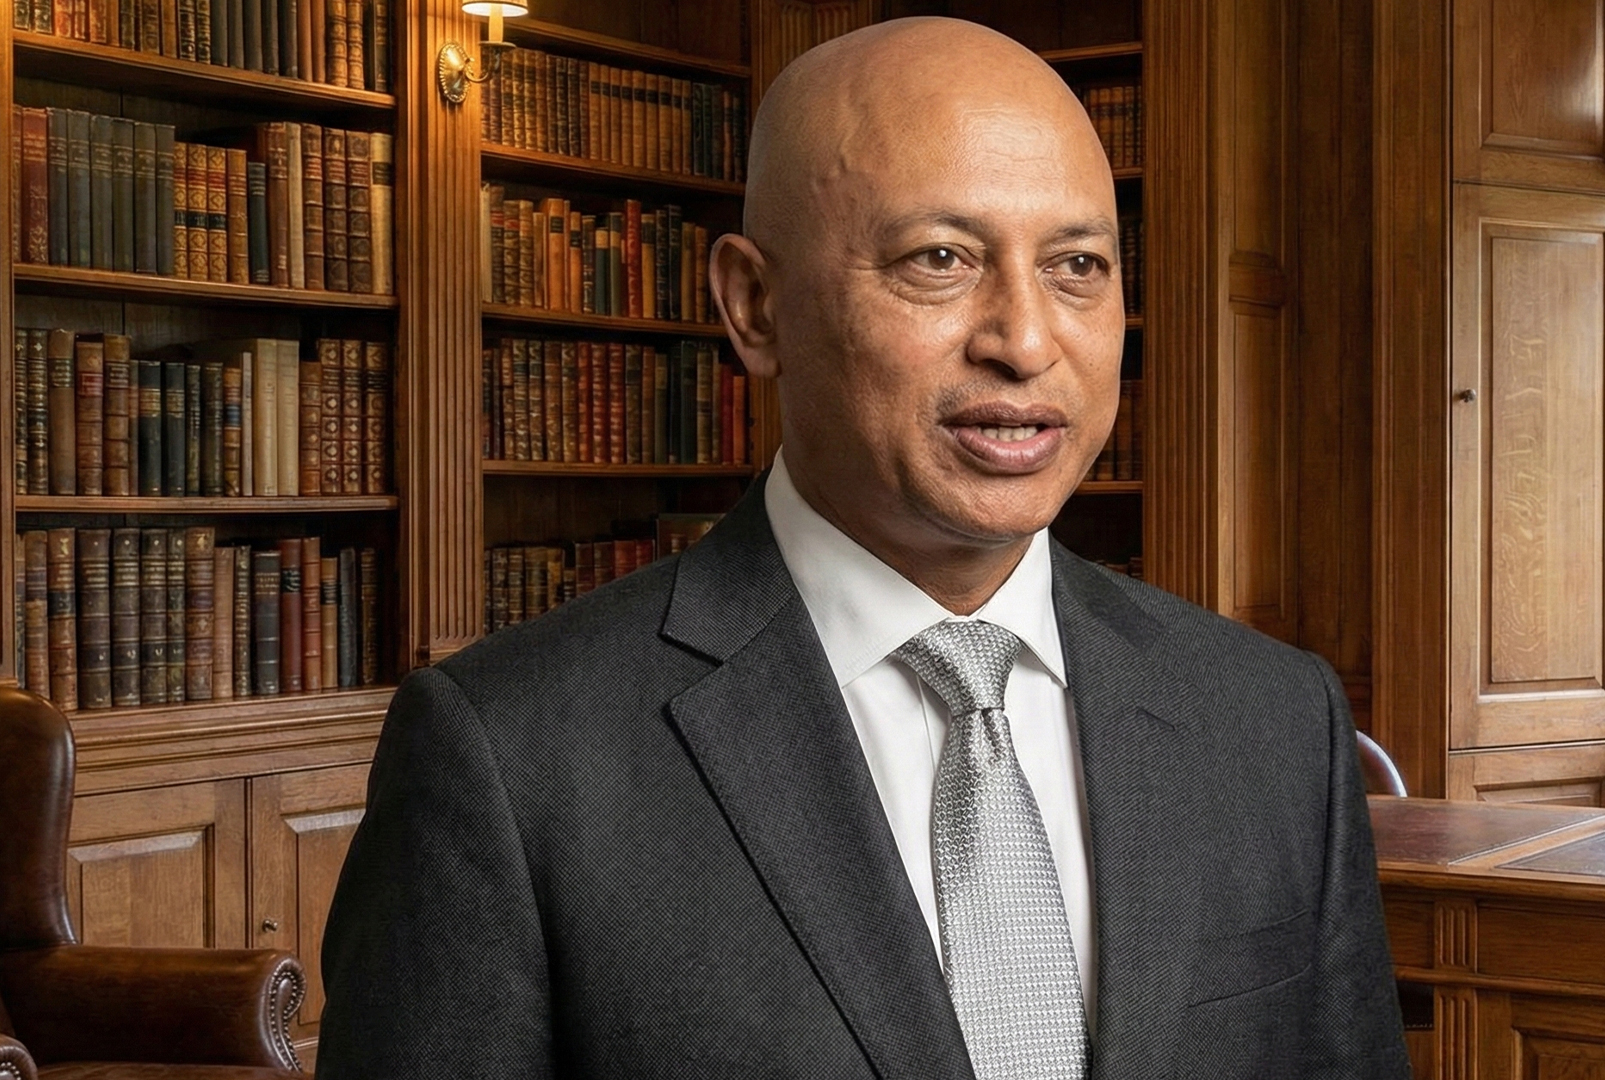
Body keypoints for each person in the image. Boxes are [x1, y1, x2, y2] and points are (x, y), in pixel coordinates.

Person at [316, 16, 1410, 1080]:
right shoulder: (509, 757)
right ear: (755, 306)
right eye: (941, 259)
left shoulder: (1269, 722)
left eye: (1077, 265)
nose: (1027, 341)